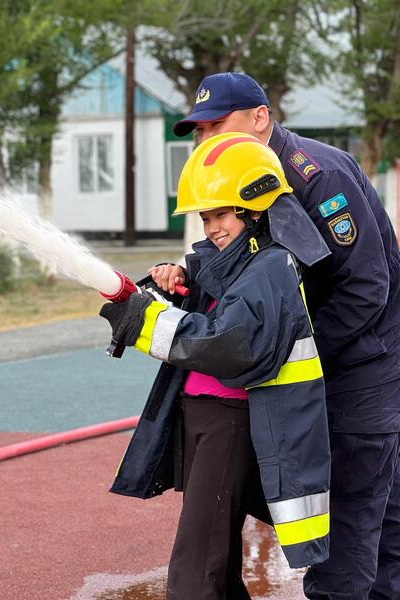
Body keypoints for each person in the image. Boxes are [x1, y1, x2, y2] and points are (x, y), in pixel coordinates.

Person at [168, 72, 400, 600]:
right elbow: (252, 267)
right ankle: (386, 589)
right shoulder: (244, 179)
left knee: (353, 486)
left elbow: (365, 288)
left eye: (217, 124)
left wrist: (288, 351)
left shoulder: (316, 174)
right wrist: (189, 276)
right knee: (374, 483)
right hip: (332, 349)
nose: (206, 139)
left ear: (260, 118)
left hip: (366, 355)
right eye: (198, 130)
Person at [100, 132, 333, 599]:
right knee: (216, 563)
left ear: (255, 209)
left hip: (232, 422)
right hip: (208, 417)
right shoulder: (236, 261)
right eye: (206, 217)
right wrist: (175, 282)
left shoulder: (271, 267)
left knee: (196, 565)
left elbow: (227, 343)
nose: (212, 228)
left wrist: (145, 317)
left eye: (221, 214)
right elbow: (210, 284)